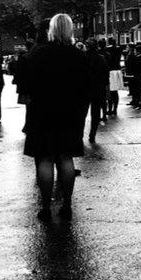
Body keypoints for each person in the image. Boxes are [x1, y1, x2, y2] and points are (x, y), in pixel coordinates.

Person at [22, 14, 90, 221]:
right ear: (70, 30)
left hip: (42, 113)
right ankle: (67, 205)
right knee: (65, 158)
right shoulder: (78, 55)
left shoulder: (38, 54)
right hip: (69, 114)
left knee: (44, 158)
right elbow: (86, 89)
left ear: (50, 30)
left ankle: (45, 207)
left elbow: (26, 88)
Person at [85, 39, 109, 143]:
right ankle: (92, 135)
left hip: (84, 90)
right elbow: (105, 75)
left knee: (82, 114)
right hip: (98, 89)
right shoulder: (101, 59)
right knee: (95, 114)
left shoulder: (83, 58)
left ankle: (80, 136)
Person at [105, 37, 124, 116]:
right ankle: (115, 109)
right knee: (115, 92)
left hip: (110, 71)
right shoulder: (119, 48)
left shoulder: (108, 49)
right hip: (117, 70)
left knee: (110, 91)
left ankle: (109, 109)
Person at [127, 45, 141, 110]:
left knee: (138, 91)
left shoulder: (138, 58)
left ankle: (140, 103)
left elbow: (135, 67)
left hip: (137, 76)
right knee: (140, 91)